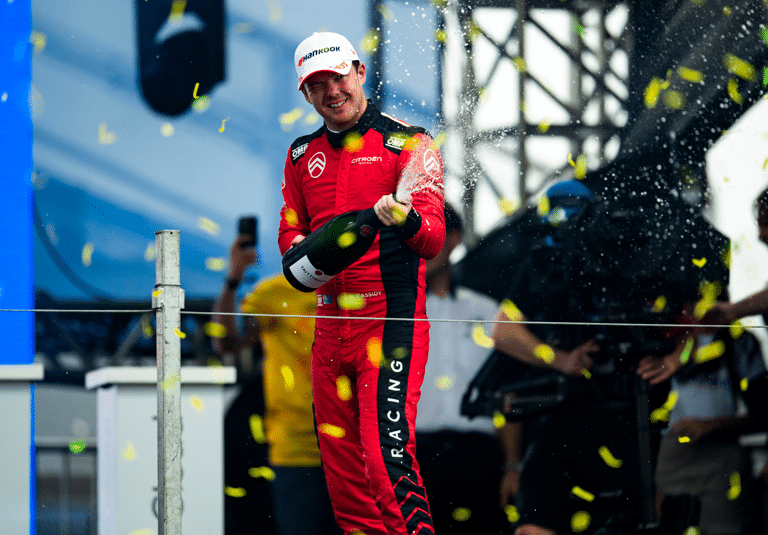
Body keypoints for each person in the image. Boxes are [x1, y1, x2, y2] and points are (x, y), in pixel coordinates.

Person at [278, 32, 445, 535]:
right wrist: (303, 251)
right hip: (329, 329)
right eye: (317, 84)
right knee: (345, 481)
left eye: (338, 77)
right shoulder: (301, 154)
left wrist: (403, 218)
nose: (332, 91)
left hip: (388, 325)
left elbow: (433, 239)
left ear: (359, 72)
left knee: (385, 459)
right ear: (305, 93)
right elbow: (290, 235)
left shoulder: (410, 143)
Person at [491, 180, 664, 535]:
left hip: (633, 415)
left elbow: (695, 316)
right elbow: (503, 330)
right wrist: (562, 359)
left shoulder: (634, 259)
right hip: (565, 417)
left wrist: (671, 358)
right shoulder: (546, 263)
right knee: (534, 525)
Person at [212, 232, 340, 535]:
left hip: (353, 449)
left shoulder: (359, 290)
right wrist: (233, 278)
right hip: (295, 448)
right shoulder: (274, 292)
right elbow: (225, 341)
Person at [415, 202, 520, 534]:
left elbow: (506, 390)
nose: (419, 245)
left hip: (480, 458)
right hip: (414, 457)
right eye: (413, 236)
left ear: (454, 239)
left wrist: (513, 465)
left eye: (428, 235)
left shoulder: (487, 310)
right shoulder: (394, 315)